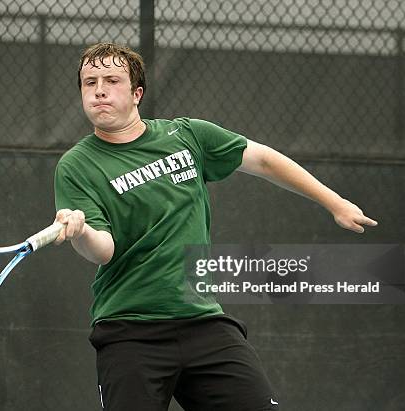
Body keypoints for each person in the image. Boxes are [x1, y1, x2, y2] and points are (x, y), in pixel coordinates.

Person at [52, 42, 377, 411]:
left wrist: (333, 202)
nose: (99, 90)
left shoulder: (187, 136)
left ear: (137, 93)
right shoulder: (76, 166)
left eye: (112, 80)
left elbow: (264, 161)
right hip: (130, 330)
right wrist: (82, 233)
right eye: (89, 82)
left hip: (203, 324)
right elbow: (103, 249)